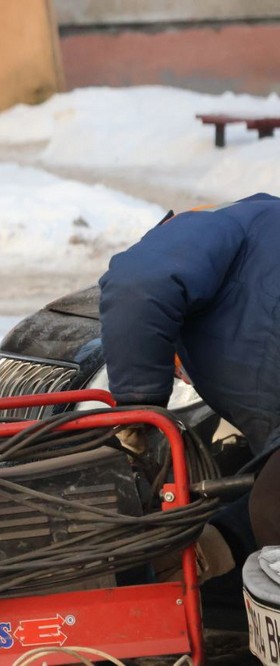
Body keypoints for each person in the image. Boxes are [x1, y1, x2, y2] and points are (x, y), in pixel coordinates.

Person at [98, 192, 280, 601]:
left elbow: (138, 284)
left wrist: (137, 405)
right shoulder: (260, 235)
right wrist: (217, 542)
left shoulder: (198, 228)